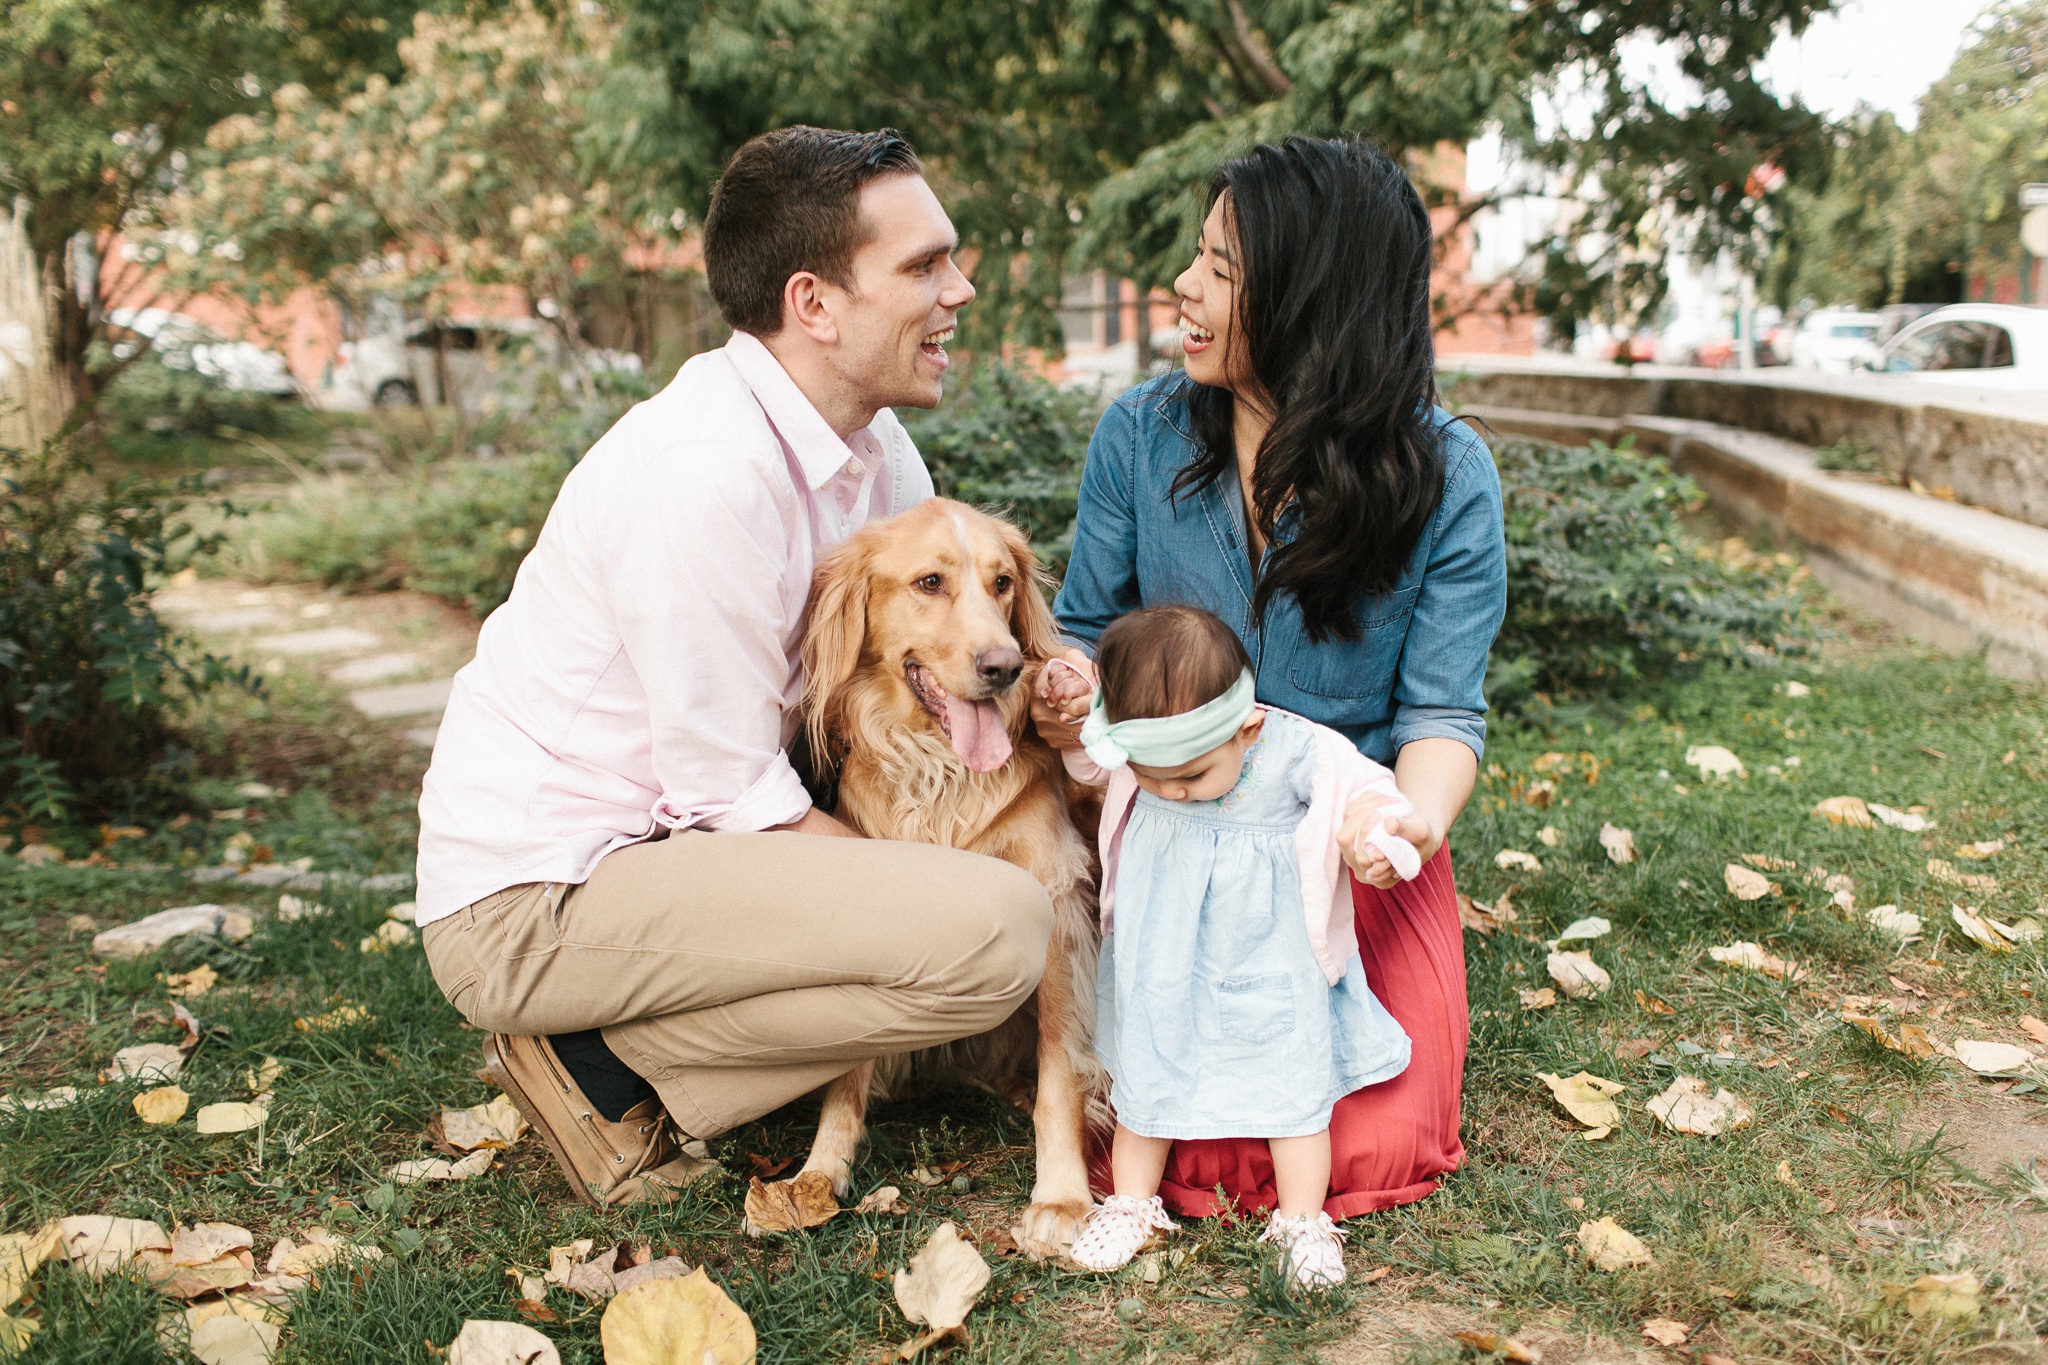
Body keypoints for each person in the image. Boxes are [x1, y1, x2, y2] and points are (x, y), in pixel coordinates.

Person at [414, 126, 1055, 1209]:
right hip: (539, 902)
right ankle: (598, 1065)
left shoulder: (877, 447)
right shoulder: (703, 472)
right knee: (991, 931)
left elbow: (900, 681)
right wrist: (932, 888)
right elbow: (728, 794)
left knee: (983, 904)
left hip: (672, 860)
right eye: (922, 266)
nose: (962, 288)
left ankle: (656, 1053)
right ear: (814, 305)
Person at [1033, 136, 1506, 1223]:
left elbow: (1439, 713)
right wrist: (1067, 689)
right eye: (1194, 257)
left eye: (1222, 268)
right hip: (1170, 835)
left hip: (1343, 840)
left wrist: (1406, 829)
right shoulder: (1140, 437)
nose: (1182, 288)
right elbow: (1087, 635)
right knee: (1176, 1127)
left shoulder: (1445, 478)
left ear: (1312, 300)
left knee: (1366, 1134)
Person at [1047, 607, 1423, 1288]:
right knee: (1147, 1068)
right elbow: (1094, 762)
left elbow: (1361, 787)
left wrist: (1375, 828)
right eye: (1152, 774)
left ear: (1246, 729)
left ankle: (1303, 1219)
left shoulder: (1290, 749)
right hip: (1161, 957)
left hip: (1267, 956)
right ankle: (1133, 1202)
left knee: (1291, 1078)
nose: (1170, 791)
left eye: (1189, 776)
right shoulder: (1152, 754)